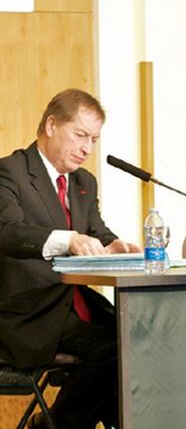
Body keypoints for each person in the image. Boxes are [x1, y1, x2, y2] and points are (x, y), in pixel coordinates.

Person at [0, 89, 140, 429]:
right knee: (111, 351)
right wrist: (69, 240)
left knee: (142, 338)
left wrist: (116, 245)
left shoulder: (83, 182)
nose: (87, 149)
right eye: (80, 135)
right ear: (51, 125)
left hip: (72, 301)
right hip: (28, 310)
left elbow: (97, 231)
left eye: (93, 139)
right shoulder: (10, 172)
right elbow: (8, 231)